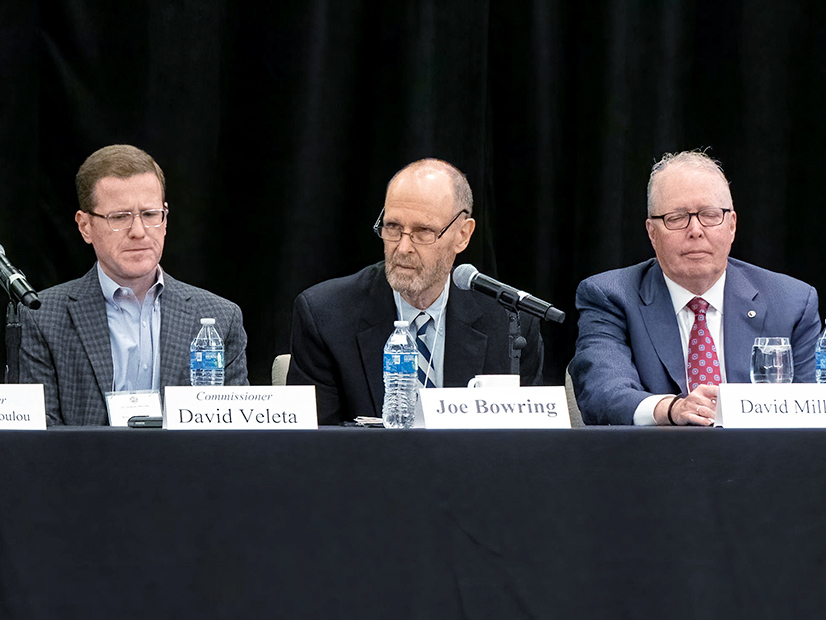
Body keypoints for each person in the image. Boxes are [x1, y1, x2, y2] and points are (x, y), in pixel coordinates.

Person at [570, 150, 820, 426]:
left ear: (732, 226)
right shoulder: (611, 296)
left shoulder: (792, 302)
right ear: (652, 232)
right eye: (676, 218)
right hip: (655, 464)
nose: (696, 230)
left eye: (710, 215)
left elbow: (813, 411)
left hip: (764, 463)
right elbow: (602, 393)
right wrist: (671, 408)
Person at [287, 158, 544, 425]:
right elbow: (314, 446)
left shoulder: (510, 321)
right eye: (393, 228)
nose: (403, 248)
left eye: (423, 232)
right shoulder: (325, 315)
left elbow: (527, 446)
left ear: (463, 235)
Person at [19, 144, 248, 425]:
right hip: (83, 466)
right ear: (85, 226)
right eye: (120, 217)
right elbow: (39, 436)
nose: (138, 232)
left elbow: (235, 433)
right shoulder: (44, 317)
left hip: (186, 467)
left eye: (150, 215)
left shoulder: (221, 317)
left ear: (165, 220)